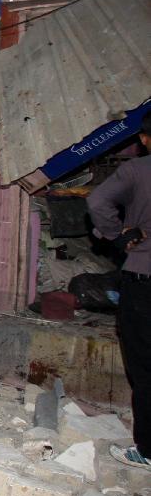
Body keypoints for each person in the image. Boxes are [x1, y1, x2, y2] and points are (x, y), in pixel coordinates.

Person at [87, 112, 151, 470]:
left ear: (143, 139)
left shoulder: (137, 171)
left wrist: (117, 235)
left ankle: (148, 449)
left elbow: (97, 203)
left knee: (144, 365)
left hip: (144, 278)